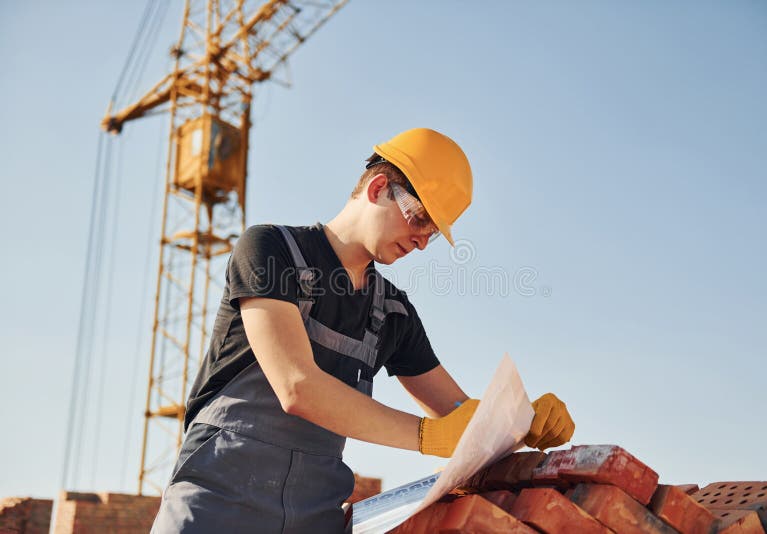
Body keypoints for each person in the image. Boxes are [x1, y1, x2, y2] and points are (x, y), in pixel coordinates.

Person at [151, 128, 575, 533]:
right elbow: (297, 386)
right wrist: (426, 437)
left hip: (312, 521)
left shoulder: (392, 313)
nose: (422, 242)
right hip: (214, 508)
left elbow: (459, 415)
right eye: (420, 218)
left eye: (432, 232)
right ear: (377, 188)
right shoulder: (270, 250)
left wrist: (522, 420)